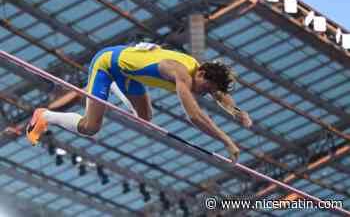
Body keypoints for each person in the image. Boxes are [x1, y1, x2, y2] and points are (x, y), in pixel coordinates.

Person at [26, 43, 252, 161]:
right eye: (205, 89)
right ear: (201, 74)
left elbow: (220, 94)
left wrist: (237, 112)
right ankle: (44, 115)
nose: (204, 94)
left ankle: (116, 86)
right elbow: (194, 115)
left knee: (145, 118)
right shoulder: (181, 74)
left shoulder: (200, 73)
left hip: (128, 72)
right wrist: (226, 140)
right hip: (107, 65)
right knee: (90, 127)